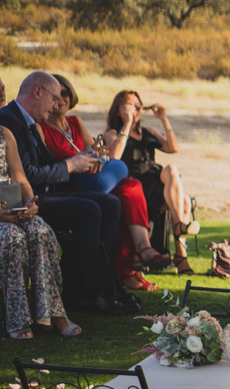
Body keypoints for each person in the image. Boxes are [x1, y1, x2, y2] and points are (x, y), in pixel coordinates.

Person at [0, 72, 134, 315]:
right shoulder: (22, 123)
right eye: (54, 98)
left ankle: (104, 286)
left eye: (63, 97)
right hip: (36, 196)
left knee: (112, 203)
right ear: (38, 92)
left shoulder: (52, 123)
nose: (56, 104)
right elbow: (28, 174)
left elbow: (84, 148)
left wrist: (90, 158)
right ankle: (92, 292)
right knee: (90, 210)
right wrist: (72, 165)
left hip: (57, 189)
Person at [38, 73, 170, 289]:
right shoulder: (41, 128)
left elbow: (98, 152)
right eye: (56, 95)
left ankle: (141, 250)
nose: (61, 99)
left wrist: (97, 154)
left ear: (71, 96)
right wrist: (80, 160)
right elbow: (48, 165)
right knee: (122, 191)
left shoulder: (75, 122)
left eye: (65, 93)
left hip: (94, 179)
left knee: (130, 187)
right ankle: (133, 261)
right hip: (68, 185)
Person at [1, 124, 81, 339]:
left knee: (40, 230)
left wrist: (29, 201)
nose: (1, 91)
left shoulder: (5, 133)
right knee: (12, 237)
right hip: (2, 217)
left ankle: (53, 313)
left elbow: (19, 177)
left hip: (11, 208)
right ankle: (17, 318)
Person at [104, 90, 197, 270]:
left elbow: (172, 148)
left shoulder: (148, 131)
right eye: (129, 106)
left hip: (154, 181)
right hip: (134, 186)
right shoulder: (113, 133)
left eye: (137, 107)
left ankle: (178, 232)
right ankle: (180, 254)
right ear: (118, 110)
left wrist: (163, 119)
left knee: (172, 171)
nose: (135, 110)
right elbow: (114, 156)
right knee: (184, 202)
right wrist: (128, 123)